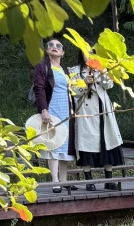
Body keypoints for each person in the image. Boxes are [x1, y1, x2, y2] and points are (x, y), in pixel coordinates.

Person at [72, 59, 124, 190]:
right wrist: (84, 83)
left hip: (103, 109)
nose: (89, 55)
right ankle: (89, 180)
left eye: (92, 53)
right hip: (86, 111)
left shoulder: (102, 68)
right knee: (86, 144)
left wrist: (103, 72)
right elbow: (74, 92)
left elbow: (109, 85)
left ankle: (109, 179)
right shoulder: (75, 71)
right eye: (86, 52)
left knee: (107, 141)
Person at [31, 38, 75, 191]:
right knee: (54, 144)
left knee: (65, 146)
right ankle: (55, 181)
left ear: (62, 52)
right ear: (47, 50)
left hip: (66, 110)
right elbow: (39, 89)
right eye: (51, 45)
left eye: (58, 46)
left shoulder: (65, 70)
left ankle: (64, 180)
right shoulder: (42, 66)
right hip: (52, 108)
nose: (54, 47)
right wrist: (43, 110)